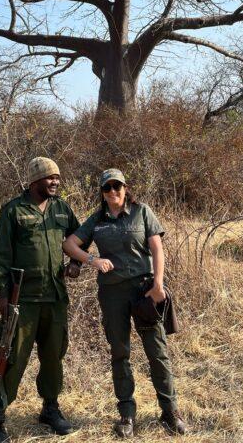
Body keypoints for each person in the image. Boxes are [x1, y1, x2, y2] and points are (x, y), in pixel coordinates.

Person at [63, 169, 188, 438]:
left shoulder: (142, 212)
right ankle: (127, 414)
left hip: (143, 290)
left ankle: (170, 411)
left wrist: (158, 284)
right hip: (112, 294)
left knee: (157, 351)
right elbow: (70, 243)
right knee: (120, 353)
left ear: (125, 187)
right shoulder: (97, 220)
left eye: (116, 186)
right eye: (107, 188)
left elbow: (157, 248)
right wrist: (92, 260)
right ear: (102, 193)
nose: (112, 192)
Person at [0, 156, 81, 443]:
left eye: (57, 178)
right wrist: (1, 294)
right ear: (34, 181)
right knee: (11, 357)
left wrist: (76, 263)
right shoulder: (13, 210)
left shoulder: (62, 208)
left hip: (54, 297)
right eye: (49, 178)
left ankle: (50, 410)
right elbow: (1, 253)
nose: (55, 182)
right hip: (23, 299)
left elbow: (80, 236)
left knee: (54, 356)